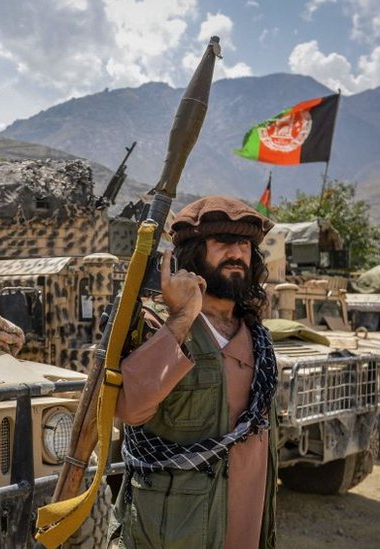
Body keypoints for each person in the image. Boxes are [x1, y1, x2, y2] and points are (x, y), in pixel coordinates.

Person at [109, 196, 278, 549]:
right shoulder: (157, 327)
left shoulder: (257, 339)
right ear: (192, 255)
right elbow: (130, 409)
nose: (237, 253)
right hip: (176, 530)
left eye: (245, 244)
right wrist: (182, 317)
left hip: (245, 525)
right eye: (222, 243)